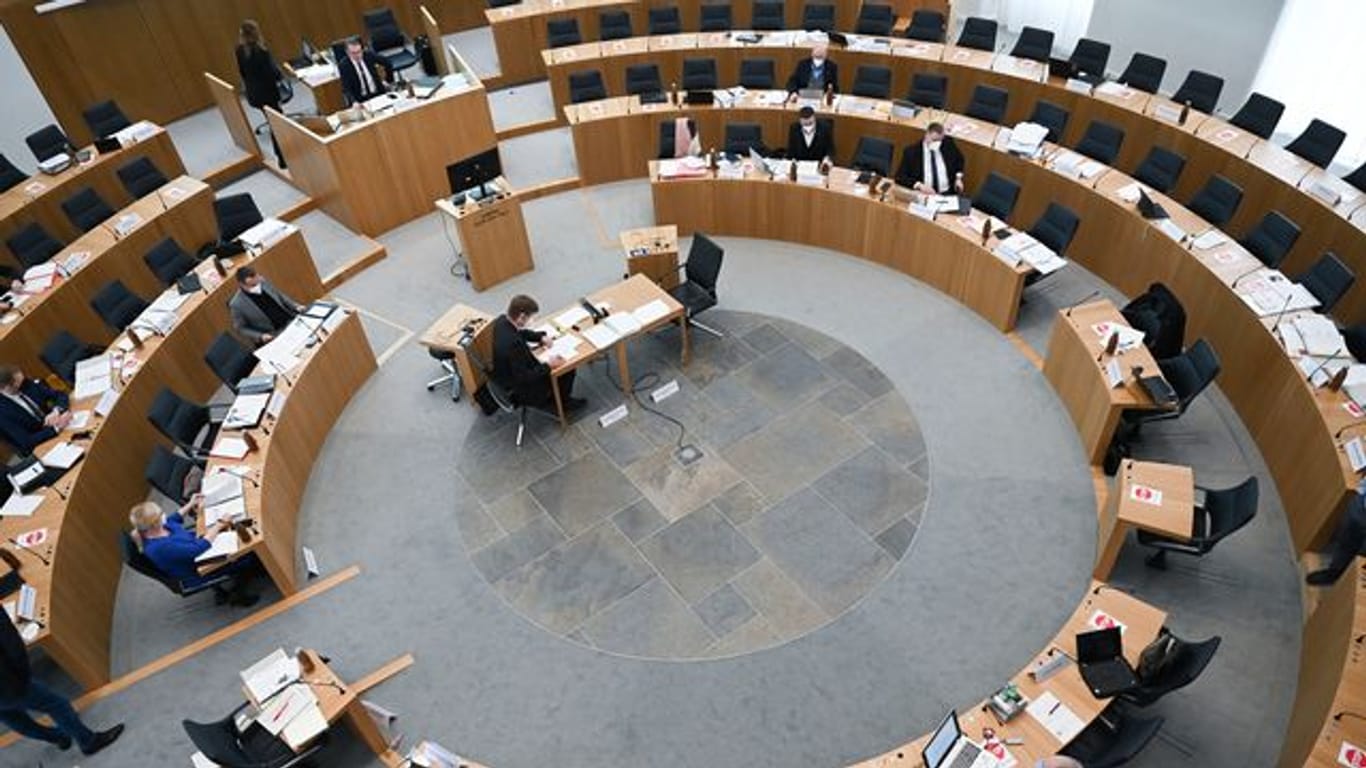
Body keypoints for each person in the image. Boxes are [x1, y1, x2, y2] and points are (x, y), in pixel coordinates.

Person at [0, 613, 123, 755]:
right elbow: (12, 644)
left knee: (17, 720)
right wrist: (23, 674)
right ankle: (88, 741)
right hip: (8, 684)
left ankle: (58, 737)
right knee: (56, 704)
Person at [129, 499, 260, 607]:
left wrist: (191, 503)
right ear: (154, 523)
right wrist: (220, 524)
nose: (164, 515)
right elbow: (199, 548)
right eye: (160, 514)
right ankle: (238, 594)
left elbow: (174, 519)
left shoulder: (156, 529)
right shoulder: (160, 547)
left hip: (197, 550)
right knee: (248, 551)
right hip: (199, 568)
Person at [492, 295, 586, 412]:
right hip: (523, 390)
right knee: (567, 369)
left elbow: (520, 333)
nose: (531, 320)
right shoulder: (514, 345)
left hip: (504, 376)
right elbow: (523, 377)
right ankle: (562, 404)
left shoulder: (501, 321)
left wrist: (540, 337)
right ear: (521, 317)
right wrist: (549, 365)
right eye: (530, 317)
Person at [235, 20, 288, 170]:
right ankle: (282, 159)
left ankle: (283, 155)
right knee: (277, 124)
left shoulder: (239, 50)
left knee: (274, 122)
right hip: (268, 95)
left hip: (253, 95)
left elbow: (242, 73)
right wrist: (279, 73)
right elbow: (273, 75)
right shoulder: (262, 52)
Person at [0, 365, 69, 456]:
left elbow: (59, 395)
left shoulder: (24, 383)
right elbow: (26, 441)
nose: (22, 386)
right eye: (16, 385)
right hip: (41, 445)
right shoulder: (2, 412)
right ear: (2, 388)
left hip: (60, 424)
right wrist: (56, 428)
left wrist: (56, 411)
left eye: (21, 381)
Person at [229, 266, 305, 345]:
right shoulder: (236, 305)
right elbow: (241, 328)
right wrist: (260, 336)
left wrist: (296, 306)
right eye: (253, 285)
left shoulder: (262, 281)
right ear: (242, 284)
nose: (257, 286)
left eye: (257, 282)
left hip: (290, 319)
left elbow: (280, 295)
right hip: (275, 333)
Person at [895, 122, 965, 194]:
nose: (937, 143)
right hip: (924, 194)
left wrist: (958, 178)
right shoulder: (912, 152)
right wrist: (919, 185)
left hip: (947, 193)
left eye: (940, 140)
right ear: (927, 135)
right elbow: (900, 177)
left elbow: (960, 160)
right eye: (934, 140)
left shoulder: (948, 143)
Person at [337, 38, 387, 105]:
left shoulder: (368, 55)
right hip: (360, 100)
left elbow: (387, 62)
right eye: (353, 53)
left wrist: (388, 80)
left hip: (377, 94)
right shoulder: (343, 65)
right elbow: (346, 88)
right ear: (347, 52)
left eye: (359, 51)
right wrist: (354, 102)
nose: (358, 55)